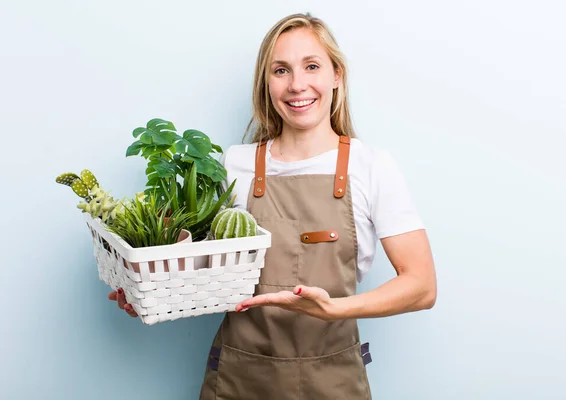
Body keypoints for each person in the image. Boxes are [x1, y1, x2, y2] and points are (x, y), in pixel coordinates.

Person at [109, 12, 437, 399]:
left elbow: (422, 286)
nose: (297, 85)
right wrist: (150, 289)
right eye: (281, 70)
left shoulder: (371, 167)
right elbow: (209, 270)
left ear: (336, 75)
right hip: (239, 378)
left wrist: (335, 309)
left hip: (333, 381)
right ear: (266, 83)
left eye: (311, 66)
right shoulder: (236, 163)